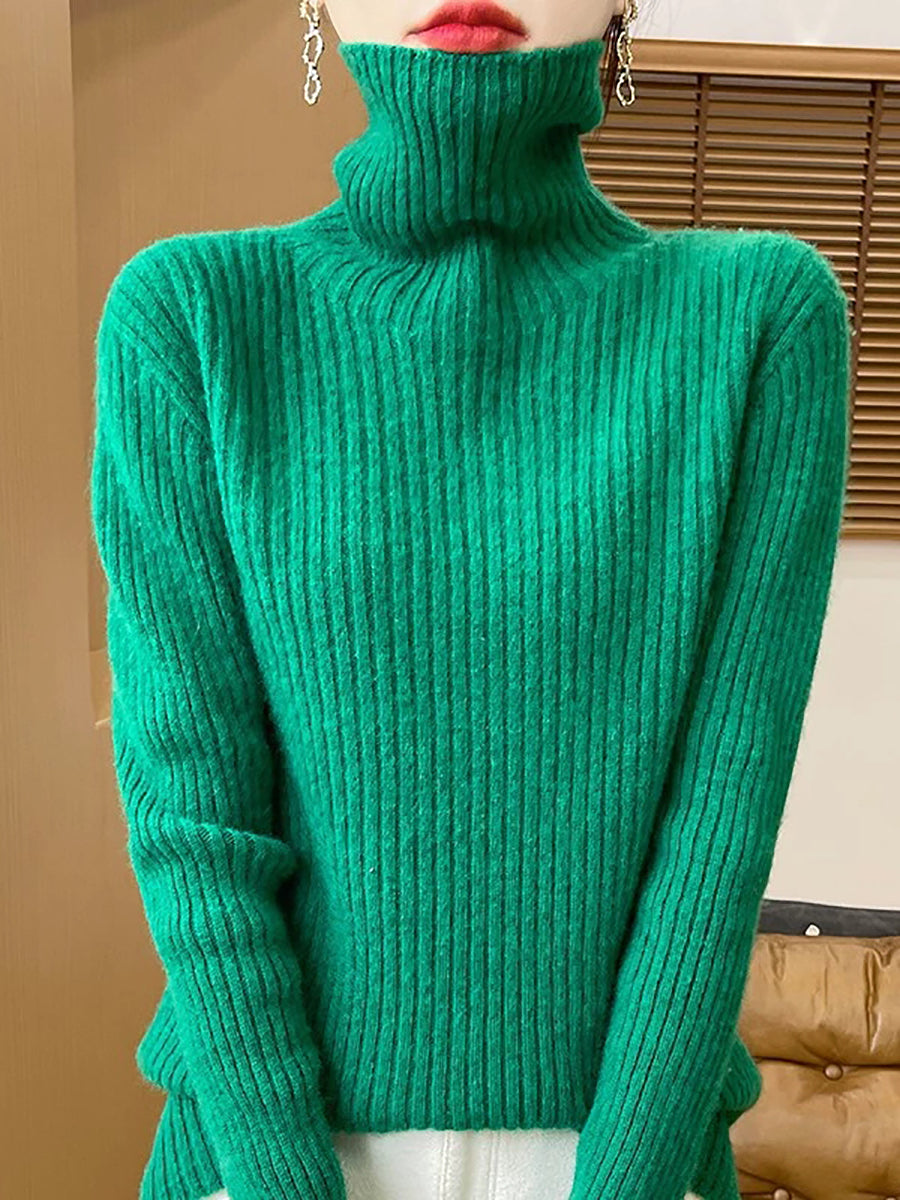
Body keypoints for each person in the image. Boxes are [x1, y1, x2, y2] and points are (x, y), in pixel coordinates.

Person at [89, 0, 851, 1198]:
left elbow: (718, 828)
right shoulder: (192, 316)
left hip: (627, 1159)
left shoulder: (759, 320)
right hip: (264, 1158)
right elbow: (194, 823)